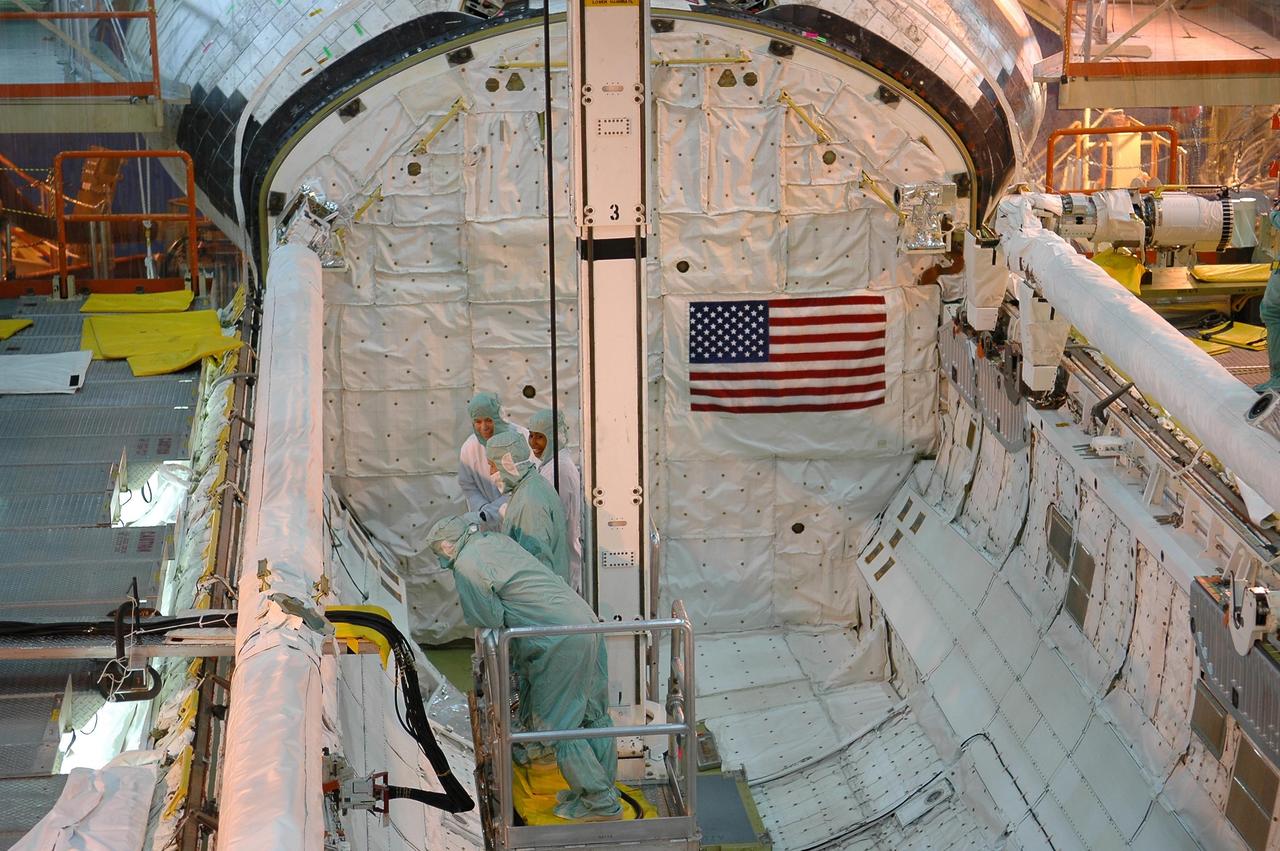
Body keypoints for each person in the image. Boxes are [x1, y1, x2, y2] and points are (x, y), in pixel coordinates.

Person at [425, 515, 621, 821]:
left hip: (559, 638)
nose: (440, 560)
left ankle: (599, 802)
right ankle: (603, 788)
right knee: (592, 714)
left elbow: (488, 617)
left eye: (438, 552)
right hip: (583, 620)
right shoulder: (492, 541)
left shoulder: (466, 565)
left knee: (560, 727)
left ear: (447, 547)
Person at [485, 431, 571, 586]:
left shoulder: (529, 500)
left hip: (543, 596)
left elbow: (537, 567)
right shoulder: (530, 486)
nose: (490, 472)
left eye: (492, 465)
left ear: (507, 464)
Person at [528, 408, 585, 594]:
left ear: (554, 437)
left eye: (540, 437)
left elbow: (553, 522)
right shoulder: (551, 465)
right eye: (531, 435)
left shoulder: (558, 470)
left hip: (560, 564)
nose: (533, 442)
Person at [457, 392, 523, 530]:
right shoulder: (469, 448)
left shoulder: (520, 440)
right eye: (478, 421)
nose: (484, 427)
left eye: (488, 420)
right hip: (487, 526)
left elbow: (523, 489)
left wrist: (490, 513)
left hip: (520, 523)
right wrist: (483, 509)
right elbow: (468, 486)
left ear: (498, 417)